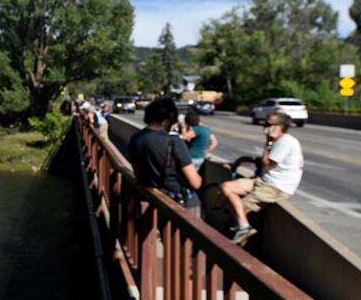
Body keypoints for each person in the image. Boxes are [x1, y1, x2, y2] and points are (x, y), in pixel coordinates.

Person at [219, 111, 303, 245]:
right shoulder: (278, 140)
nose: (265, 126)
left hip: (276, 187)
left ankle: (241, 233)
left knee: (239, 209)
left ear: (279, 127)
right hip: (264, 180)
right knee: (227, 187)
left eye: (269, 124)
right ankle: (243, 226)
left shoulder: (285, 142)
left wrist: (268, 141)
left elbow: (267, 164)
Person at [127, 98, 201, 206]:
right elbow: (196, 183)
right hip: (176, 202)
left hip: (151, 199)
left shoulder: (135, 139)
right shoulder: (174, 142)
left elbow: (139, 176)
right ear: (169, 118)